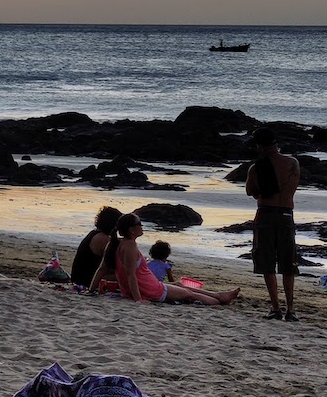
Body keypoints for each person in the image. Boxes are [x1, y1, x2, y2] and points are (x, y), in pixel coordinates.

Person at [108, 213, 240, 305]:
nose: (142, 226)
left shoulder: (118, 243)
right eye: (139, 224)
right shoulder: (130, 246)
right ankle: (218, 300)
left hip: (151, 286)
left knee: (179, 285)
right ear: (132, 230)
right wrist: (138, 299)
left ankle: (219, 295)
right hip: (152, 290)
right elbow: (131, 276)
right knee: (189, 294)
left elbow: (110, 270)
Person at [245, 126, 301, 321]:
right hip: (286, 214)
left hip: (266, 214)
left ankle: (276, 308)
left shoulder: (256, 167)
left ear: (260, 147)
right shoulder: (292, 163)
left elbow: (251, 192)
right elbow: (292, 189)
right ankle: (290, 310)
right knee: (288, 263)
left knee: (267, 263)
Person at [70, 206, 122, 288]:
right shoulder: (104, 239)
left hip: (79, 278)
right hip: (87, 280)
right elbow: (115, 264)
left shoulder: (94, 234)